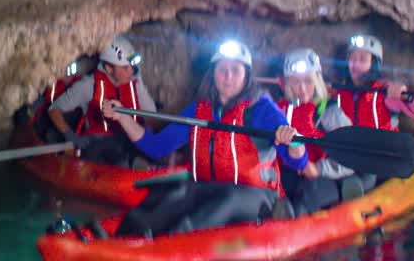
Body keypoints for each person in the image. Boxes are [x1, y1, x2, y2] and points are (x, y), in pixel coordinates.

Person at [103, 39, 307, 237]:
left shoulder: (262, 109)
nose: (228, 76)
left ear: (247, 76)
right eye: (222, 69)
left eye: (235, 70)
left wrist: (294, 141)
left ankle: (173, 242)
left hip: (257, 197)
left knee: (226, 201)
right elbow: (156, 147)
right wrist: (122, 117)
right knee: (171, 194)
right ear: (213, 74)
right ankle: (124, 235)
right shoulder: (199, 111)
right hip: (211, 190)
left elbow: (297, 161)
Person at [275, 48, 360, 214]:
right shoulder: (282, 110)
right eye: (295, 82)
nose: (302, 88)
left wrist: (319, 168)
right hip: (291, 175)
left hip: (324, 177)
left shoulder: (330, 112)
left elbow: (353, 156)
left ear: (317, 80)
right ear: (287, 84)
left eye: (308, 81)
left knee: (304, 200)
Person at [48, 36, 156, 166]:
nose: (131, 71)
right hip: (98, 143)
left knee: (147, 156)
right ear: (109, 68)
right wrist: (70, 135)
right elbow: (54, 109)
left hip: (129, 138)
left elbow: (151, 114)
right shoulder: (89, 85)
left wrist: (148, 136)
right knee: (113, 158)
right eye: (125, 68)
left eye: (132, 66)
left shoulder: (135, 82)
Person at [335, 34, 414, 131]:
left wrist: (407, 97)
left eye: (363, 59)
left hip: (379, 149)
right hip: (347, 148)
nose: (355, 64)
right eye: (352, 58)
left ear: (374, 64)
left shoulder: (385, 92)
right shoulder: (337, 92)